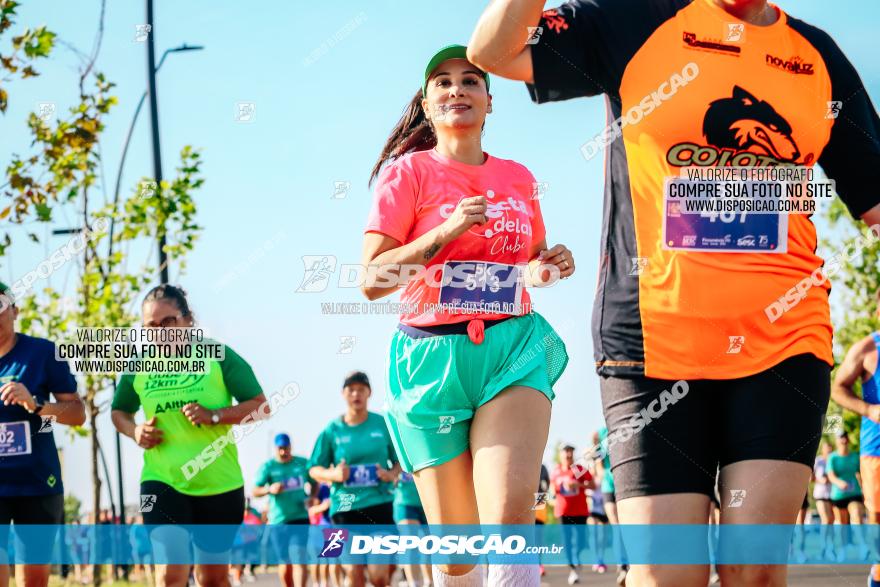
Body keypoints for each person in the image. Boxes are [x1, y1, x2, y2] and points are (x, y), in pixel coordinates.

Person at [468, 0, 880, 584]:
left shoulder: (817, 58)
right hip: (653, 339)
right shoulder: (636, 21)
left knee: (755, 571)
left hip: (784, 338)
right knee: (668, 574)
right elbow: (494, 52)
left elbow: (875, 199)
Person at [362, 43, 571, 587]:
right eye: (443, 82)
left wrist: (551, 263)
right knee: (459, 554)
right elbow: (372, 282)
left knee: (508, 516)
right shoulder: (406, 175)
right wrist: (446, 230)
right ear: (429, 106)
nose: (458, 89)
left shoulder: (518, 177)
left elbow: (530, 265)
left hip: (511, 349)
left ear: (490, 101)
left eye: (471, 81)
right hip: (430, 361)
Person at [111, 284, 269, 587]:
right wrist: (135, 431)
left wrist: (215, 416)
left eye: (168, 322)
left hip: (219, 482)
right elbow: (119, 411)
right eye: (151, 327)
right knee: (171, 572)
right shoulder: (139, 367)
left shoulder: (216, 356)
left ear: (187, 319)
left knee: (212, 578)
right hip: (162, 479)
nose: (159, 333)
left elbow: (261, 407)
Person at [0, 282, 85, 587]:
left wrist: (35, 404)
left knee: (33, 580)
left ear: (15, 311)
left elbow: (77, 413)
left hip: (37, 485)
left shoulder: (43, 353)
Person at [308, 371, 399, 587]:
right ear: (343, 394)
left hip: (379, 506)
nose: (356, 394)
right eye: (351, 389)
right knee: (353, 573)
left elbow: (400, 461)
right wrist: (334, 474)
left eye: (361, 389)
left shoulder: (383, 423)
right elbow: (313, 469)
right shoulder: (333, 430)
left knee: (379, 576)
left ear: (369, 393)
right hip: (342, 510)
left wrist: (390, 474)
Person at [832, 319, 880, 583]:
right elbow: (838, 388)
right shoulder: (867, 348)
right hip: (876, 450)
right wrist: (869, 410)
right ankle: (878, 573)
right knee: (876, 516)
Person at [253, 433, 311, 587]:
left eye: (286, 448)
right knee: (285, 562)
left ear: (291, 447)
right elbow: (255, 491)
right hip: (279, 520)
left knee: (299, 556)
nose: (283, 452)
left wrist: (313, 496)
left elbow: (315, 480)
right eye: (280, 449)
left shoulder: (302, 463)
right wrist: (269, 489)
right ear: (275, 449)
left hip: (300, 517)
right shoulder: (268, 467)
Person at [550, 444, 593, 585]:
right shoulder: (555, 472)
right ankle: (572, 569)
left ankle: (577, 557)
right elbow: (551, 493)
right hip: (563, 512)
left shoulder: (578, 469)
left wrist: (578, 486)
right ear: (561, 454)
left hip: (580, 511)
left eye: (570, 452)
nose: (568, 455)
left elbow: (592, 485)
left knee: (581, 540)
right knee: (567, 541)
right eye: (566, 452)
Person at [827, 430, 868, 561]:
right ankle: (842, 551)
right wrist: (839, 482)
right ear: (837, 441)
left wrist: (865, 490)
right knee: (842, 523)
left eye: (845, 437)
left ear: (848, 440)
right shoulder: (833, 457)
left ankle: (863, 546)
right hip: (838, 495)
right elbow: (831, 475)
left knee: (856, 515)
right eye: (840, 438)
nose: (843, 440)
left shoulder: (855, 456)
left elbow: (861, 474)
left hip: (854, 493)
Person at [392, 470, 431, 587]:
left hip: (428, 500)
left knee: (429, 546)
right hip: (404, 501)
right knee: (410, 543)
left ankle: (430, 582)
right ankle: (414, 583)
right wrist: (391, 474)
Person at [813, 440, 836, 560]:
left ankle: (831, 548)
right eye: (827, 448)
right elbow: (811, 477)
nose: (829, 450)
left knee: (832, 521)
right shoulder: (818, 461)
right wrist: (819, 480)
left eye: (830, 448)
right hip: (820, 494)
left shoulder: (834, 460)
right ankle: (823, 547)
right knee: (826, 519)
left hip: (834, 494)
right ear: (822, 449)